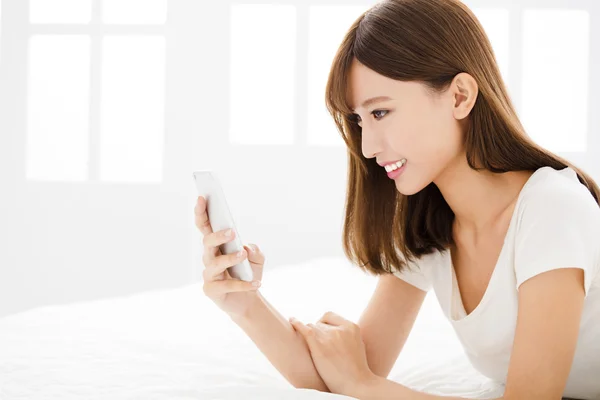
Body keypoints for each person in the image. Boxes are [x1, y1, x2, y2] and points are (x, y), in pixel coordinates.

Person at [194, 0, 600, 399]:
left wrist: (366, 386)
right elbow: (337, 377)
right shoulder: (433, 227)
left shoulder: (552, 209)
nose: (367, 146)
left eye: (381, 113)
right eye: (358, 120)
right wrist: (243, 304)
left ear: (460, 96)